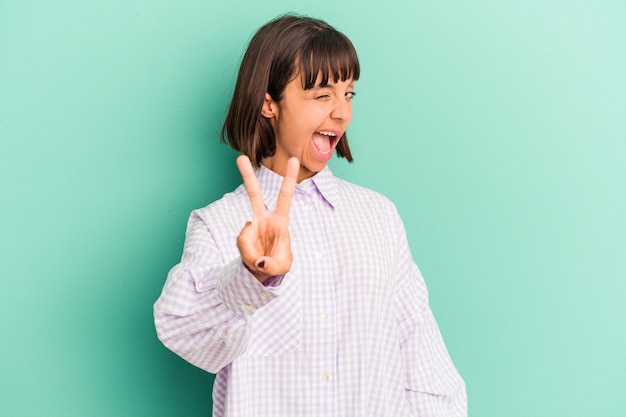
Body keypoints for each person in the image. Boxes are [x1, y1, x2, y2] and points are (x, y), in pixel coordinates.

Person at [154, 14, 467, 417]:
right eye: (322, 95)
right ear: (269, 102)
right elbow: (183, 330)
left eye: (349, 94)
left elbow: (423, 365)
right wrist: (253, 277)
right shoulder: (219, 223)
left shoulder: (378, 217)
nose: (341, 113)